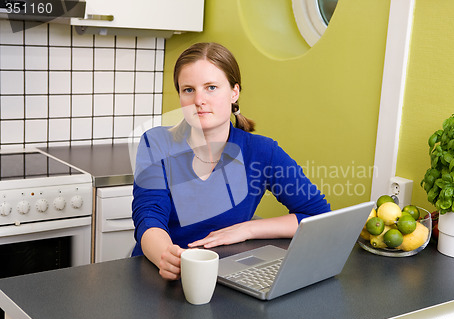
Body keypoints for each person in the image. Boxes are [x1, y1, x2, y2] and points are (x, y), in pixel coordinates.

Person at [132, 42, 331, 280]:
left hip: (226, 275)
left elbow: (317, 216)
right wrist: (167, 256)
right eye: (188, 90)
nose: (199, 100)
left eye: (211, 87)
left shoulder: (262, 151)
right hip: (160, 272)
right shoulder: (156, 143)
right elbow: (149, 216)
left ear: (234, 92)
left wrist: (248, 229)